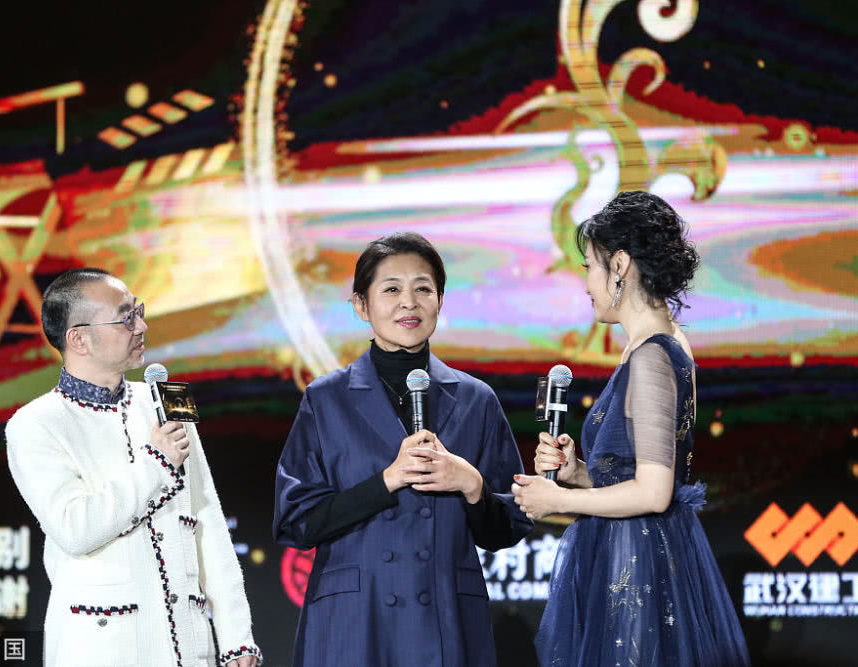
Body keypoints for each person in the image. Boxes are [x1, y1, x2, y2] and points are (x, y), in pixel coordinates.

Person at [512, 191, 750, 666]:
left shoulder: (651, 355)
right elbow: (639, 474)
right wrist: (580, 473)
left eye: (589, 266)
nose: (586, 282)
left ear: (619, 264)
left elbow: (654, 492)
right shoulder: (661, 343)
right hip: (641, 552)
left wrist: (558, 499)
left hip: (637, 563)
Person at [273, 232, 533, 666]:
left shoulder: (476, 400)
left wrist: (472, 485)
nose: (409, 303)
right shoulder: (325, 399)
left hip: (445, 619)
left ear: (440, 301)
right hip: (355, 623)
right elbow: (296, 521)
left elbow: (506, 529)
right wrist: (386, 481)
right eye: (391, 289)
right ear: (361, 305)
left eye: (423, 289)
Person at [6, 268, 261, 667]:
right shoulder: (35, 424)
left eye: (137, 311)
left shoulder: (167, 400)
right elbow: (74, 528)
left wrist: (236, 640)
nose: (141, 326)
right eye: (125, 318)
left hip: (190, 647)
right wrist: (155, 464)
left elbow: (207, 520)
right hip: (104, 649)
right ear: (78, 339)